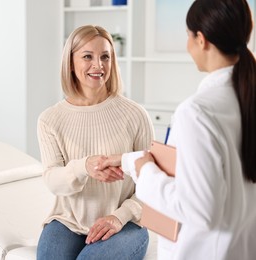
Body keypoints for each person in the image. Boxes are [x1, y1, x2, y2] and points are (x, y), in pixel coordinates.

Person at [99, 0, 256, 259]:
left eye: (188, 36)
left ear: (201, 39)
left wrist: (146, 173)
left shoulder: (196, 112)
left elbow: (199, 209)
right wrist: (130, 160)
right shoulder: (242, 99)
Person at [36, 25, 154, 259]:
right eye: (87, 56)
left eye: (105, 57)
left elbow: (152, 183)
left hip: (126, 223)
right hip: (68, 221)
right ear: (70, 62)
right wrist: (85, 167)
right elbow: (52, 180)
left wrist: (119, 217)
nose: (98, 65)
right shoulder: (50, 119)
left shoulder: (135, 114)